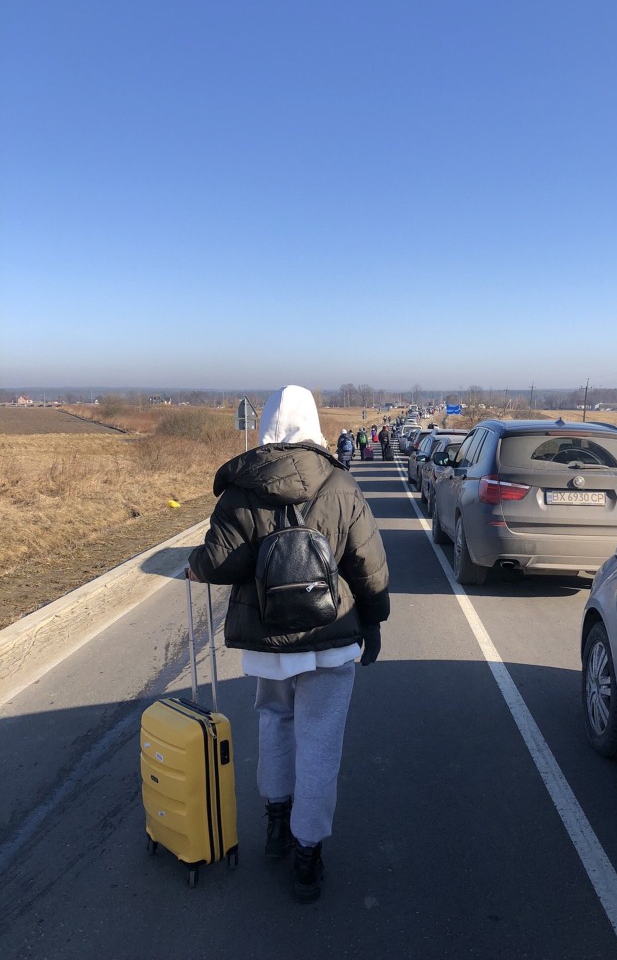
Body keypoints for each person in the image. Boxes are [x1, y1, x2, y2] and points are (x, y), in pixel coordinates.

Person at [187, 385, 390, 903]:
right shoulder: (341, 484)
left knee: (274, 725)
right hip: (330, 637)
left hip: (267, 645)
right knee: (320, 744)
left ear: (268, 425)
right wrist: (373, 623)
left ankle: (275, 825)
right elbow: (367, 567)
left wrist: (197, 562)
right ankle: (308, 855)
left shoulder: (243, 487)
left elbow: (218, 562)